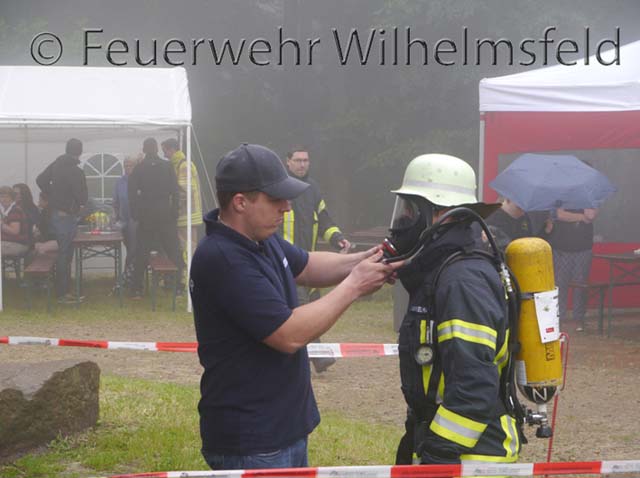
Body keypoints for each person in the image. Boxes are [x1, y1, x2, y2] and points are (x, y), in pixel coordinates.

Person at [190, 143, 400, 470]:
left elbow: (307, 265)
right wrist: (355, 285)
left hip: (280, 428)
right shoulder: (223, 258)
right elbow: (288, 334)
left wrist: (367, 258)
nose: (287, 207)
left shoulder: (260, 238)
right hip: (252, 439)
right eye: (276, 199)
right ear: (240, 202)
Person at [391, 154, 520, 467]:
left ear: (440, 214)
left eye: (410, 210)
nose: (403, 220)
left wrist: (438, 455)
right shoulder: (443, 270)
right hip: (454, 448)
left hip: (473, 457)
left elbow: (474, 388)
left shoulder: (462, 280)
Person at [280, 146, 352, 373]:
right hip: (285, 264)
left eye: (305, 160)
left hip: (309, 263)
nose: (302, 164)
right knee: (302, 310)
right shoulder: (279, 188)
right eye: (298, 160)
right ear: (288, 162)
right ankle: (318, 357)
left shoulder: (312, 189)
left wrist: (338, 239)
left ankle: (311, 355)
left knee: (310, 310)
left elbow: (324, 221)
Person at [128, 138, 182, 298]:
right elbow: (176, 191)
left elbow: (131, 193)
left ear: (144, 150)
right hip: (165, 213)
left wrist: (135, 213)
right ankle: (177, 286)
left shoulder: (139, 168)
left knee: (142, 251)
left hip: (146, 215)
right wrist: (175, 211)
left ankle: (137, 288)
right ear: (157, 149)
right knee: (173, 250)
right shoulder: (167, 166)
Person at [36, 138, 88, 303]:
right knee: (65, 255)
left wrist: (52, 196)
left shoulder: (56, 164)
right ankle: (62, 293)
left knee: (62, 253)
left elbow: (40, 180)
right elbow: (83, 197)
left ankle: (63, 290)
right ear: (80, 152)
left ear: (66, 149)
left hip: (55, 214)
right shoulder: (76, 171)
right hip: (67, 216)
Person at [545, 207, 598, 332]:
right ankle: (559, 318)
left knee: (580, 285)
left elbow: (590, 216)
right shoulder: (559, 199)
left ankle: (578, 318)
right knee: (559, 284)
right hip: (561, 248)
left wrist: (580, 215)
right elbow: (559, 214)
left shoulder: (588, 198)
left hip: (583, 248)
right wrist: (581, 217)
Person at [161, 138, 203, 281]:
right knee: (185, 247)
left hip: (187, 215)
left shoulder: (184, 165)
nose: (164, 155)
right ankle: (185, 278)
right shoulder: (178, 164)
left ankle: (188, 280)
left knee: (187, 248)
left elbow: (184, 191)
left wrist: (173, 208)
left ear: (172, 149)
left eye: (165, 151)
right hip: (185, 215)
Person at [112, 156, 138, 285]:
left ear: (135, 166)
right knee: (128, 247)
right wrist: (115, 217)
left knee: (133, 249)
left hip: (135, 220)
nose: (128, 168)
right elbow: (115, 202)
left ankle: (127, 276)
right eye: (126, 165)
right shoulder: (119, 182)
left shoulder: (139, 180)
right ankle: (131, 275)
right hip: (123, 221)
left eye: (130, 165)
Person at [0, 186, 30, 258]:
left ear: (12, 198)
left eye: (7, 197)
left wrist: (1, 224)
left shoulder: (15, 210)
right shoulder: (5, 210)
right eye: (1, 197)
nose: (4, 199)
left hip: (18, 244)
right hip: (8, 242)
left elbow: (14, 231)